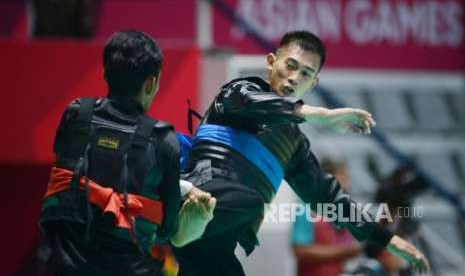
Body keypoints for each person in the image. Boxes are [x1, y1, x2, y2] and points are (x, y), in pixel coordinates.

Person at [174, 30, 429, 276]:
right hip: (203, 199)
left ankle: (181, 233)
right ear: (271, 62)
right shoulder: (238, 92)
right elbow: (254, 103)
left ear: (314, 82)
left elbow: (328, 197)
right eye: (291, 65)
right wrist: (321, 114)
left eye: (306, 73)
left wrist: (388, 240)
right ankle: (180, 225)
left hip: (220, 241)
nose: (295, 77)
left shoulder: (294, 144)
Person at [37, 30, 215, 276]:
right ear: (151, 82)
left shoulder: (76, 114)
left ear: (104, 73)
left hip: (63, 267)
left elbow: (67, 183)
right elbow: (167, 230)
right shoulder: (164, 141)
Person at [292, 159, 362, 276]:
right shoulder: (306, 208)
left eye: (346, 179)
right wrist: (346, 252)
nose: (346, 184)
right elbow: (301, 250)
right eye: (341, 179)